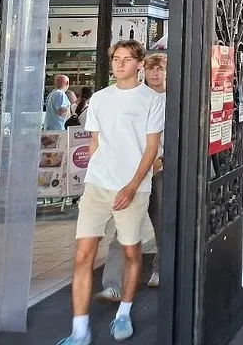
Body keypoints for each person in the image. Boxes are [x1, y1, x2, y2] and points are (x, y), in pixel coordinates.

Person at [57, 40, 165, 345]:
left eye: (127, 59)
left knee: (132, 251)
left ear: (139, 64)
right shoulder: (101, 99)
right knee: (82, 256)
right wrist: (90, 177)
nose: (119, 64)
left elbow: (151, 148)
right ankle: (79, 331)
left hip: (133, 187)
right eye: (116, 59)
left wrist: (132, 186)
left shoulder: (151, 100)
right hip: (98, 185)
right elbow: (95, 143)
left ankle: (124, 313)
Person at [97, 54, 167, 300]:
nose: (155, 74)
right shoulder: (134, 98)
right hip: (131, 172)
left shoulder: (174, 102)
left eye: (160, 69)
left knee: (163, 225)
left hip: (159, 172)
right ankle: (113, 283)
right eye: (151, 69)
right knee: (123, 228)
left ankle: (160, 269)